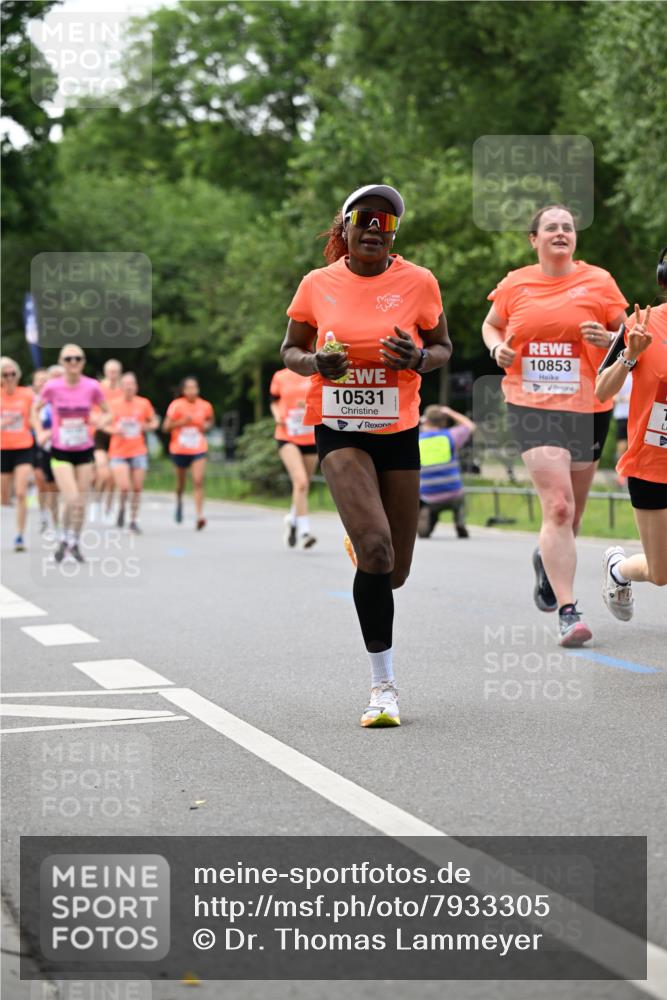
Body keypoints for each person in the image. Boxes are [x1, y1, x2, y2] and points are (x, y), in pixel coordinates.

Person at [281, 183, 452, 727]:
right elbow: (290, 349)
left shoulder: (419, 281)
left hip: (398, 430)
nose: (375, 228)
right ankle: (383, 688)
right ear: (346, 229)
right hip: (338, 428)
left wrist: (419, 357)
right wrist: (315, 366)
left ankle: (365, 542)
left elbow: (444, 347)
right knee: (377, 550)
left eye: (386, 222)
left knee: (394, 571)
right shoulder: (318, 284)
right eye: (365, 219)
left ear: (393, 234)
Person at [482, 204, 628, 647]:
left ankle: (546, 561)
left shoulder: (599, 281)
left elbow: (630, 336)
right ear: (534, 238)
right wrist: (496, 351)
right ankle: (569, 611)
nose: (562, 232)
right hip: (531, 404)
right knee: (559, 508)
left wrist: (611, 341)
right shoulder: (515, 283)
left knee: (574, 515)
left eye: (568, 227)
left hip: (588, 405)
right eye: (552, 227)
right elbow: (492, 326)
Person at [597, 288, 667, 618]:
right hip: (652, 465)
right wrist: (630, 355)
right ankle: (619, 570)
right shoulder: (641, 323)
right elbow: (601, 391)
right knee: (661, 573)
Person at [32, 344, 109, 563]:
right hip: (60, 450)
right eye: (68, 359)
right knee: (72, 497)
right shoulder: (52, 387)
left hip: (84, 450)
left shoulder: (92, 386)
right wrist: (40, 432)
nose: (73, 362)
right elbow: (35, 410)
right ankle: (63, 535)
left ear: (83, 362)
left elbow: (108, 413)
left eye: (77, 358)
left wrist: (98, 422)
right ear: (62, 362)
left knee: (81, 501)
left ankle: (72, 540)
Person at [270, 367, 318, 549]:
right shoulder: (280, 376)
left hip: (310, 435)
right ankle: (305, 532)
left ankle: (292, 519)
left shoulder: (315, 372)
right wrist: (277, 416)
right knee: (301, 482)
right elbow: (274, 401)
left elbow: (324, 399)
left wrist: (308, 406)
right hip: (287, 435)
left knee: (304, 485)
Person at [107, 372, 159, 533]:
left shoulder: (144, 403)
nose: (129, 387)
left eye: (132, 384)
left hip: (138, 451)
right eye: (126, 384)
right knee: (124, 487)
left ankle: (133, 520)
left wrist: (149, 427)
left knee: (137, 488)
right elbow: (103, 425)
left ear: (136, 387)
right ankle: (122, 508)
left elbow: (155, 421)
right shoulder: (113, 404)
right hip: (118, 452)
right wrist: (114, 430)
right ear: (121, 387)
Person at [417, 404, 476, 539]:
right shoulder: (450, 436)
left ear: (426, 420)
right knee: (460, 499)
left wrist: (421, 421)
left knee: (425, 506)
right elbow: (470, 426)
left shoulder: (417, 440)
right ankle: (459, 521)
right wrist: (450, 412)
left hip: (427, 496)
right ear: (444, 421)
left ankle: (427, 521)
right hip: (453, 493)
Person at [162, 376, 214, 530]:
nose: (192, 391)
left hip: (198, 448)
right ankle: (179, 500)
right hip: (179, 449)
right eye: (189, 388)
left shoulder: (205, 406)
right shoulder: (176, 405)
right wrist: (181, 422)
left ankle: (200, 515)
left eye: (195, 387)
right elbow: (165, 427)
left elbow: (210, 422)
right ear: (183, 390)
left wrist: (206, 425)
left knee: (198, 481)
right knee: (181, 484)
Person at [1, 356, 35, 551]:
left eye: (12, 373)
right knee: (3, 498)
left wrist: (40, 428)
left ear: (17, 375)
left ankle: (20, 535)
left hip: (23, 446)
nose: (9, 377)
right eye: (5, 374)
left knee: (21, 492)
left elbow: (33, 416)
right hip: (3, 448)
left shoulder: (26, 395)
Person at [91, 358, 123, 525]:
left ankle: (109, 508)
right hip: (101, 434)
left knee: (112, 479)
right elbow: (95, 415)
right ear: (105, 372)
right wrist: (106, 425)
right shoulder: (99, 389)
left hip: (118, 437)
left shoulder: (123, 390)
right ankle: (96, 502)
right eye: (110, 372)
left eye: (115, 372)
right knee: (103, 472)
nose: (113, 375)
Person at [31, 366, 61, 534]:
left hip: (56, 446)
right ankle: (43, 515)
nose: (42, 383)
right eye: (39, 381)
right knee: (41, 482)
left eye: (45, 380)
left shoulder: (56, 398)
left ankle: (56, 520)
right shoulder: (33, 400)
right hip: (36, 446)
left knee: (53, 487)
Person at [612, 371, 633, 488]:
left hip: (635, 415)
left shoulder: (636, 376)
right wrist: (623, 398)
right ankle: (621, 473)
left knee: (632, 444)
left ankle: (630, 471)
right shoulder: (621, 375)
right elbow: (612, 396)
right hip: (621, 415)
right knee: (622, 444)